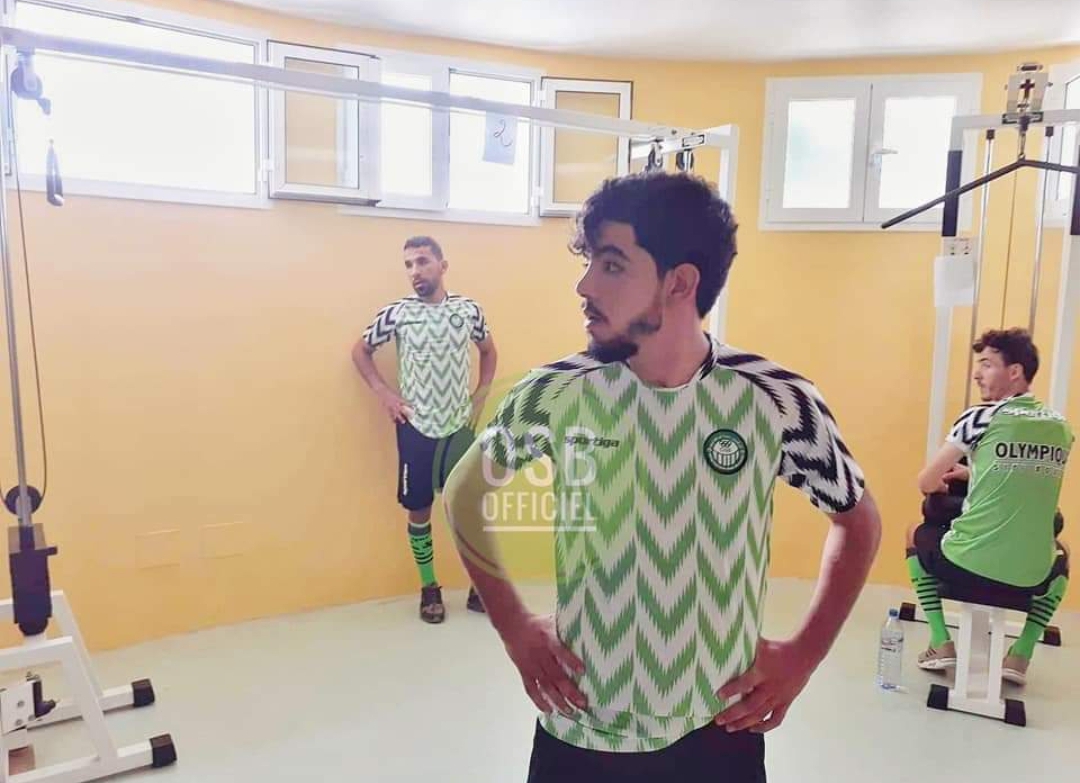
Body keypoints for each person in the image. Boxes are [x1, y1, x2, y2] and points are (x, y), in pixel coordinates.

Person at [443, 171, 881, 781]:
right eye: (590, 263)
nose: (585, 285)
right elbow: (464, 495)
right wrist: (514, 625)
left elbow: (858, 521)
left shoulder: (775, 398)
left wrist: (803, 656)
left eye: (612, 265)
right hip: (581, 723)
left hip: (719, 726)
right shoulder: (556, 391)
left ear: (680, 282)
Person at [907, 328, 1073, 684]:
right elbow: (1025, 474)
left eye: (986, 364)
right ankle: (1021, 654)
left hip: (966, 564)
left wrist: (942, 483)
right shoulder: (1062, 428)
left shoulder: (980, 417)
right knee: (1062, 555)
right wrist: (976, 472)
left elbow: (926, 481)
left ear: (1014, 371)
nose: (977, 373)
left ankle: (940, 640)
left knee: (914, 533)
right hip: (1033, 575)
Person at [353, 236, 498, 624]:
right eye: (408, 265)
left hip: (458, 427)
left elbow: (488, 350)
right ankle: (429, 587)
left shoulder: (467, 310)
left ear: (442, 266)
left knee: (467, 509)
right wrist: (385, 393)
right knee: (419, 510)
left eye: (422, 261)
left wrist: (482, 393)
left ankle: (479, 586)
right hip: (416, 426)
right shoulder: (398, 313)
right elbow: (360, 351)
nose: (415, 271)